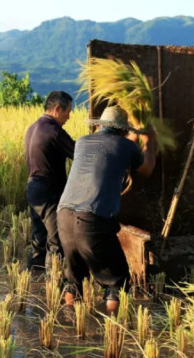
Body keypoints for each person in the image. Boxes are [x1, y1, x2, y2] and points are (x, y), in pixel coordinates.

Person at [57, 105, 156, 314]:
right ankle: (111, 327)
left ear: (100, 125)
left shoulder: (83, 142)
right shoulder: (126, 147)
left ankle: (69, 323)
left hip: (64, 216)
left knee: (73, 278)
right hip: (92, 220)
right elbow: (145, 170)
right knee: (116, 280)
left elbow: (113, 150)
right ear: (122, 130)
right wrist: (150, 142)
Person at [24, 91, 75, 270]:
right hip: (49, 191)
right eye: (68, 111)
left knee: (39, 238)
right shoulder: (53, 131)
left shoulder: (32, 128)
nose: (69, 116)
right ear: (57, 108)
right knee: (57, 240)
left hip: (33, 189)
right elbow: (78, 153)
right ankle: (53, 283)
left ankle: (34, 279)